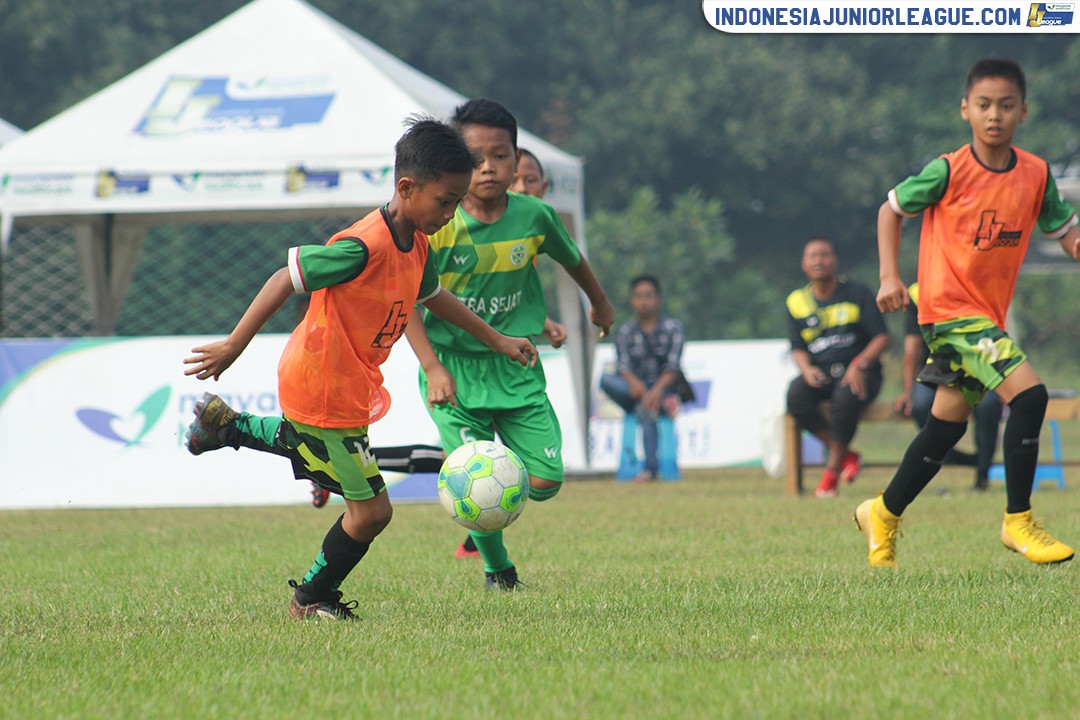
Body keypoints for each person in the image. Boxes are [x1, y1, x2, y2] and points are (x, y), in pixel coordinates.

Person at [181, 118, 538, 620]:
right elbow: (287, 276)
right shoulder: (365, 245)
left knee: (313, 452)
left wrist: (498, 339)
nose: (451, 211)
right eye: (445, 201)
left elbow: (434, 298)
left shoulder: (417, 243)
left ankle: (227, 426)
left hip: (346, 384)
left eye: (457, 202)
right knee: (372, 512)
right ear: (407, 187)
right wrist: (234, 345)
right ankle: (310, 599)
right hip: (321, 382)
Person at [856, 57, 1079, 568]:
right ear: (965, 110)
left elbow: (1062, 228)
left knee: (943, 430)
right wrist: (890, 277)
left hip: (986, 318)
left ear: (1023, 111)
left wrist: (1075, 243)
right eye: (983, 105)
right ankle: (1018, 521)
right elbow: (890, 209)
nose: (994, 115)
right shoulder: (948, 169)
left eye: (1005, 105)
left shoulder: (1036, 174)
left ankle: (882, 514)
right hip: (948, 314)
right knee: (1030, 395)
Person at [405, 98, 614, 589]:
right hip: (455, 372)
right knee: (474, 486)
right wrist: (433, 367)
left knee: (545, 480)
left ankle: (474, 466)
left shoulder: (535, 216)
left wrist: (600, 304)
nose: (488, 167)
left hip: (516, 365)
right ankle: (500, 572)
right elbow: (409, 298)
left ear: (519, 160)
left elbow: (574, 259)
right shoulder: (438, 225)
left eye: (501, 155)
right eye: (475, 157)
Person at [785, 236, 890, 498]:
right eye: (812, 256)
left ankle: (831, 474)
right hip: (821, 372)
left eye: (824, 255)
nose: (819, 261)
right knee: (795, 396)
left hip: (860, 372)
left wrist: (859, 364)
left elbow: (882, 337)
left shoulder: (858, 293)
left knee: (844, 398)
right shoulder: (796, 302)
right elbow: (797, 347)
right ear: (803, 264)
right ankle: (846, 455)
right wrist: (807, 369)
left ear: (835, 261)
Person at [894, 281, 1003, 492]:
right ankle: (955, 458)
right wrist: (907, 392)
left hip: (977, 367)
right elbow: (911, 350)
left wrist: (1002, 382)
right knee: (919, 406)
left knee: (988, 406)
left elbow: (995, 337)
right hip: (937, 368)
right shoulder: (918, 293)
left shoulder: (978, 283)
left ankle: (982, 475)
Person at [599, 275, 686, 483]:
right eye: (638, 296)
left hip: (663, 387)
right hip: (633, 390)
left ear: (658, 299)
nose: (643, 301)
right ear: (632, 300)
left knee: (645, 409)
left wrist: (654, 393)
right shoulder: (625, 332)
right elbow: (623, 367)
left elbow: (673, 368)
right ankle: (655, 405)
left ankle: (650, 469)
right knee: (606, 380)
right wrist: (641, 390)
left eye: (648, 296)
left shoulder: (673, 329)